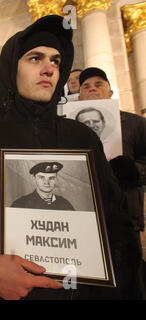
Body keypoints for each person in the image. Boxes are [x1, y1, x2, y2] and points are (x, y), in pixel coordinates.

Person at [0, 15, 142, 300]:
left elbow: (116, 221)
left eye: (56, 61)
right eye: (35, 58)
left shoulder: (82, 137)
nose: (49, 69)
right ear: (11, 67)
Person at [78, 66, 146, 297]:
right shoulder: (70, 128)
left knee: (130, 281)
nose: (92, 89)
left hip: (126, 214)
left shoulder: (135, 124)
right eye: (86, 86)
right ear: (79, 96)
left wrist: (133, 171)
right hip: (84, 217)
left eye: (98, 85)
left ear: (110, 92)